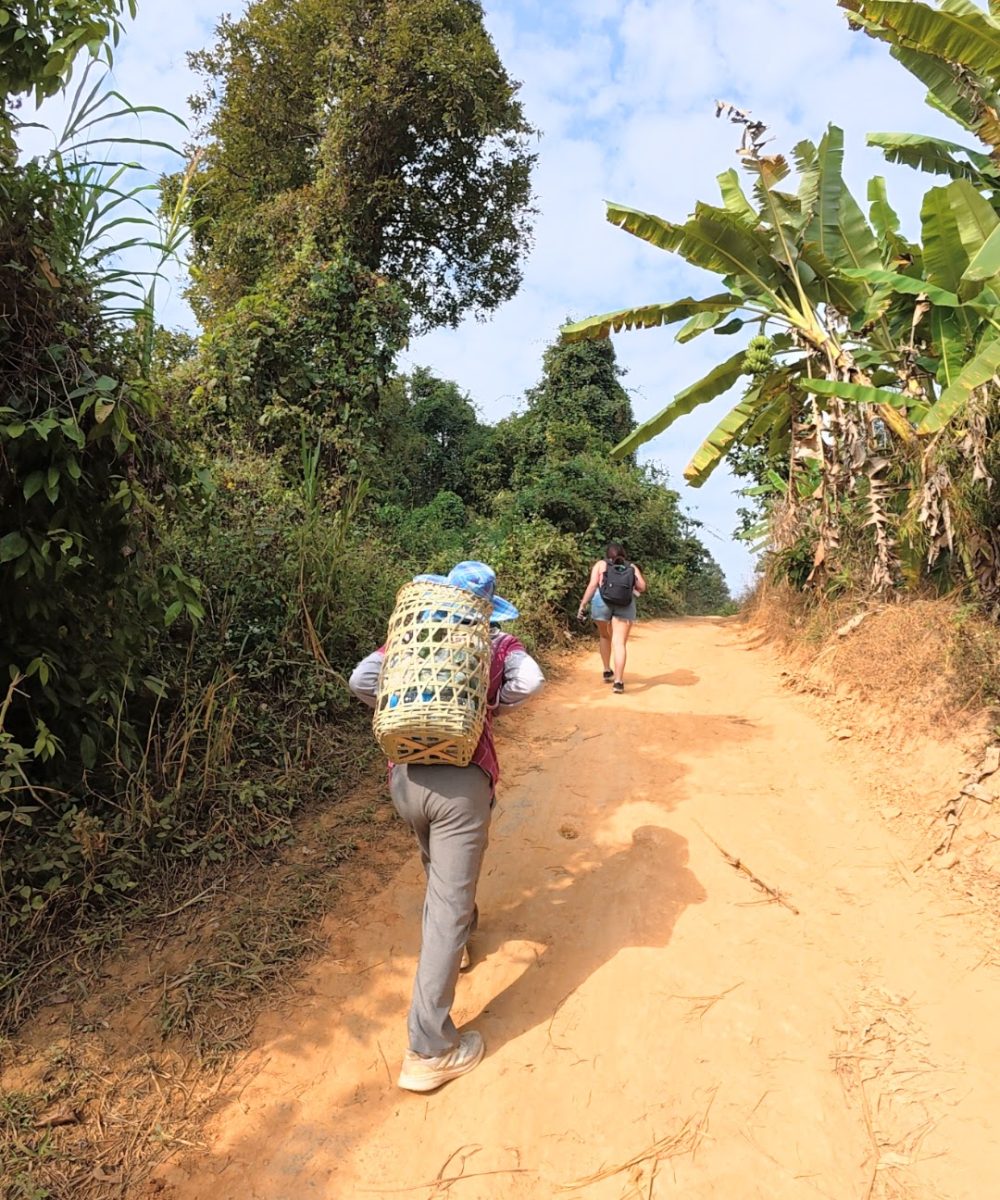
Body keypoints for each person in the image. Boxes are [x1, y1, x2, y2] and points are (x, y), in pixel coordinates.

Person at [349, 561, 544, 1092]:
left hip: (405, 779)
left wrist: (395, 712)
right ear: (489, 606)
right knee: (448, 904)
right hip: (462, 781)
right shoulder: (495, 642)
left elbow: (361, 679)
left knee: (438, 868)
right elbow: (532, 680)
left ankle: (460, 941)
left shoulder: (418, 635)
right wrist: (490, 706)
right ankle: (429, 1048)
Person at [576, 542, 646, 693]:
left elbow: (592, 585)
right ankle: (618, 682)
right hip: (625, 604)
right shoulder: (631, 567)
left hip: (602, 603)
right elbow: (642, 587)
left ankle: (607, 670)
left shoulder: (600, 565)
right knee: (619, 643)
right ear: (623, 553)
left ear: (607, 554)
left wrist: (583, 605)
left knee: (604, 636)